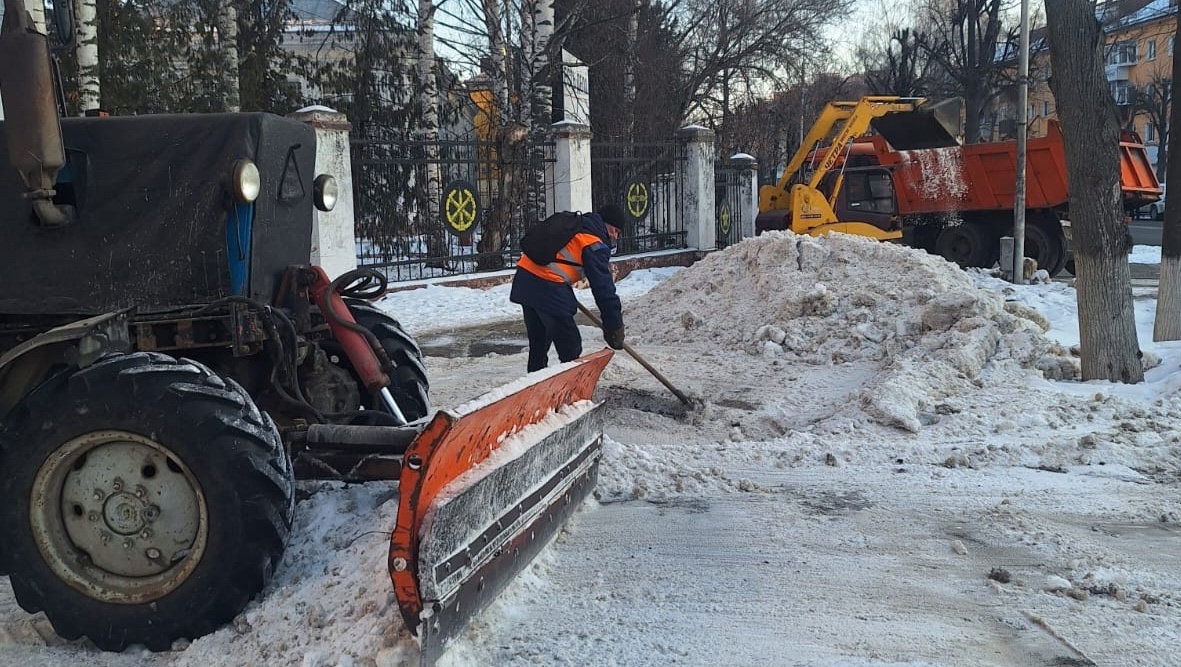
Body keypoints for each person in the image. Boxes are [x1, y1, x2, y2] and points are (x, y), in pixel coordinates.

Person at [510, 204, 627, 372]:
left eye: (618, 233)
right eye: (613, 229)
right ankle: (571, 391)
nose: (614, 235)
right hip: (547, 286)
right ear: (603, 223)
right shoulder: (593, 242)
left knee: (539, 343)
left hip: (525, 279)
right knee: (570, 345)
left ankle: (536, 386)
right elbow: (604, 289)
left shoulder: (577, 225)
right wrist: (614, 326)